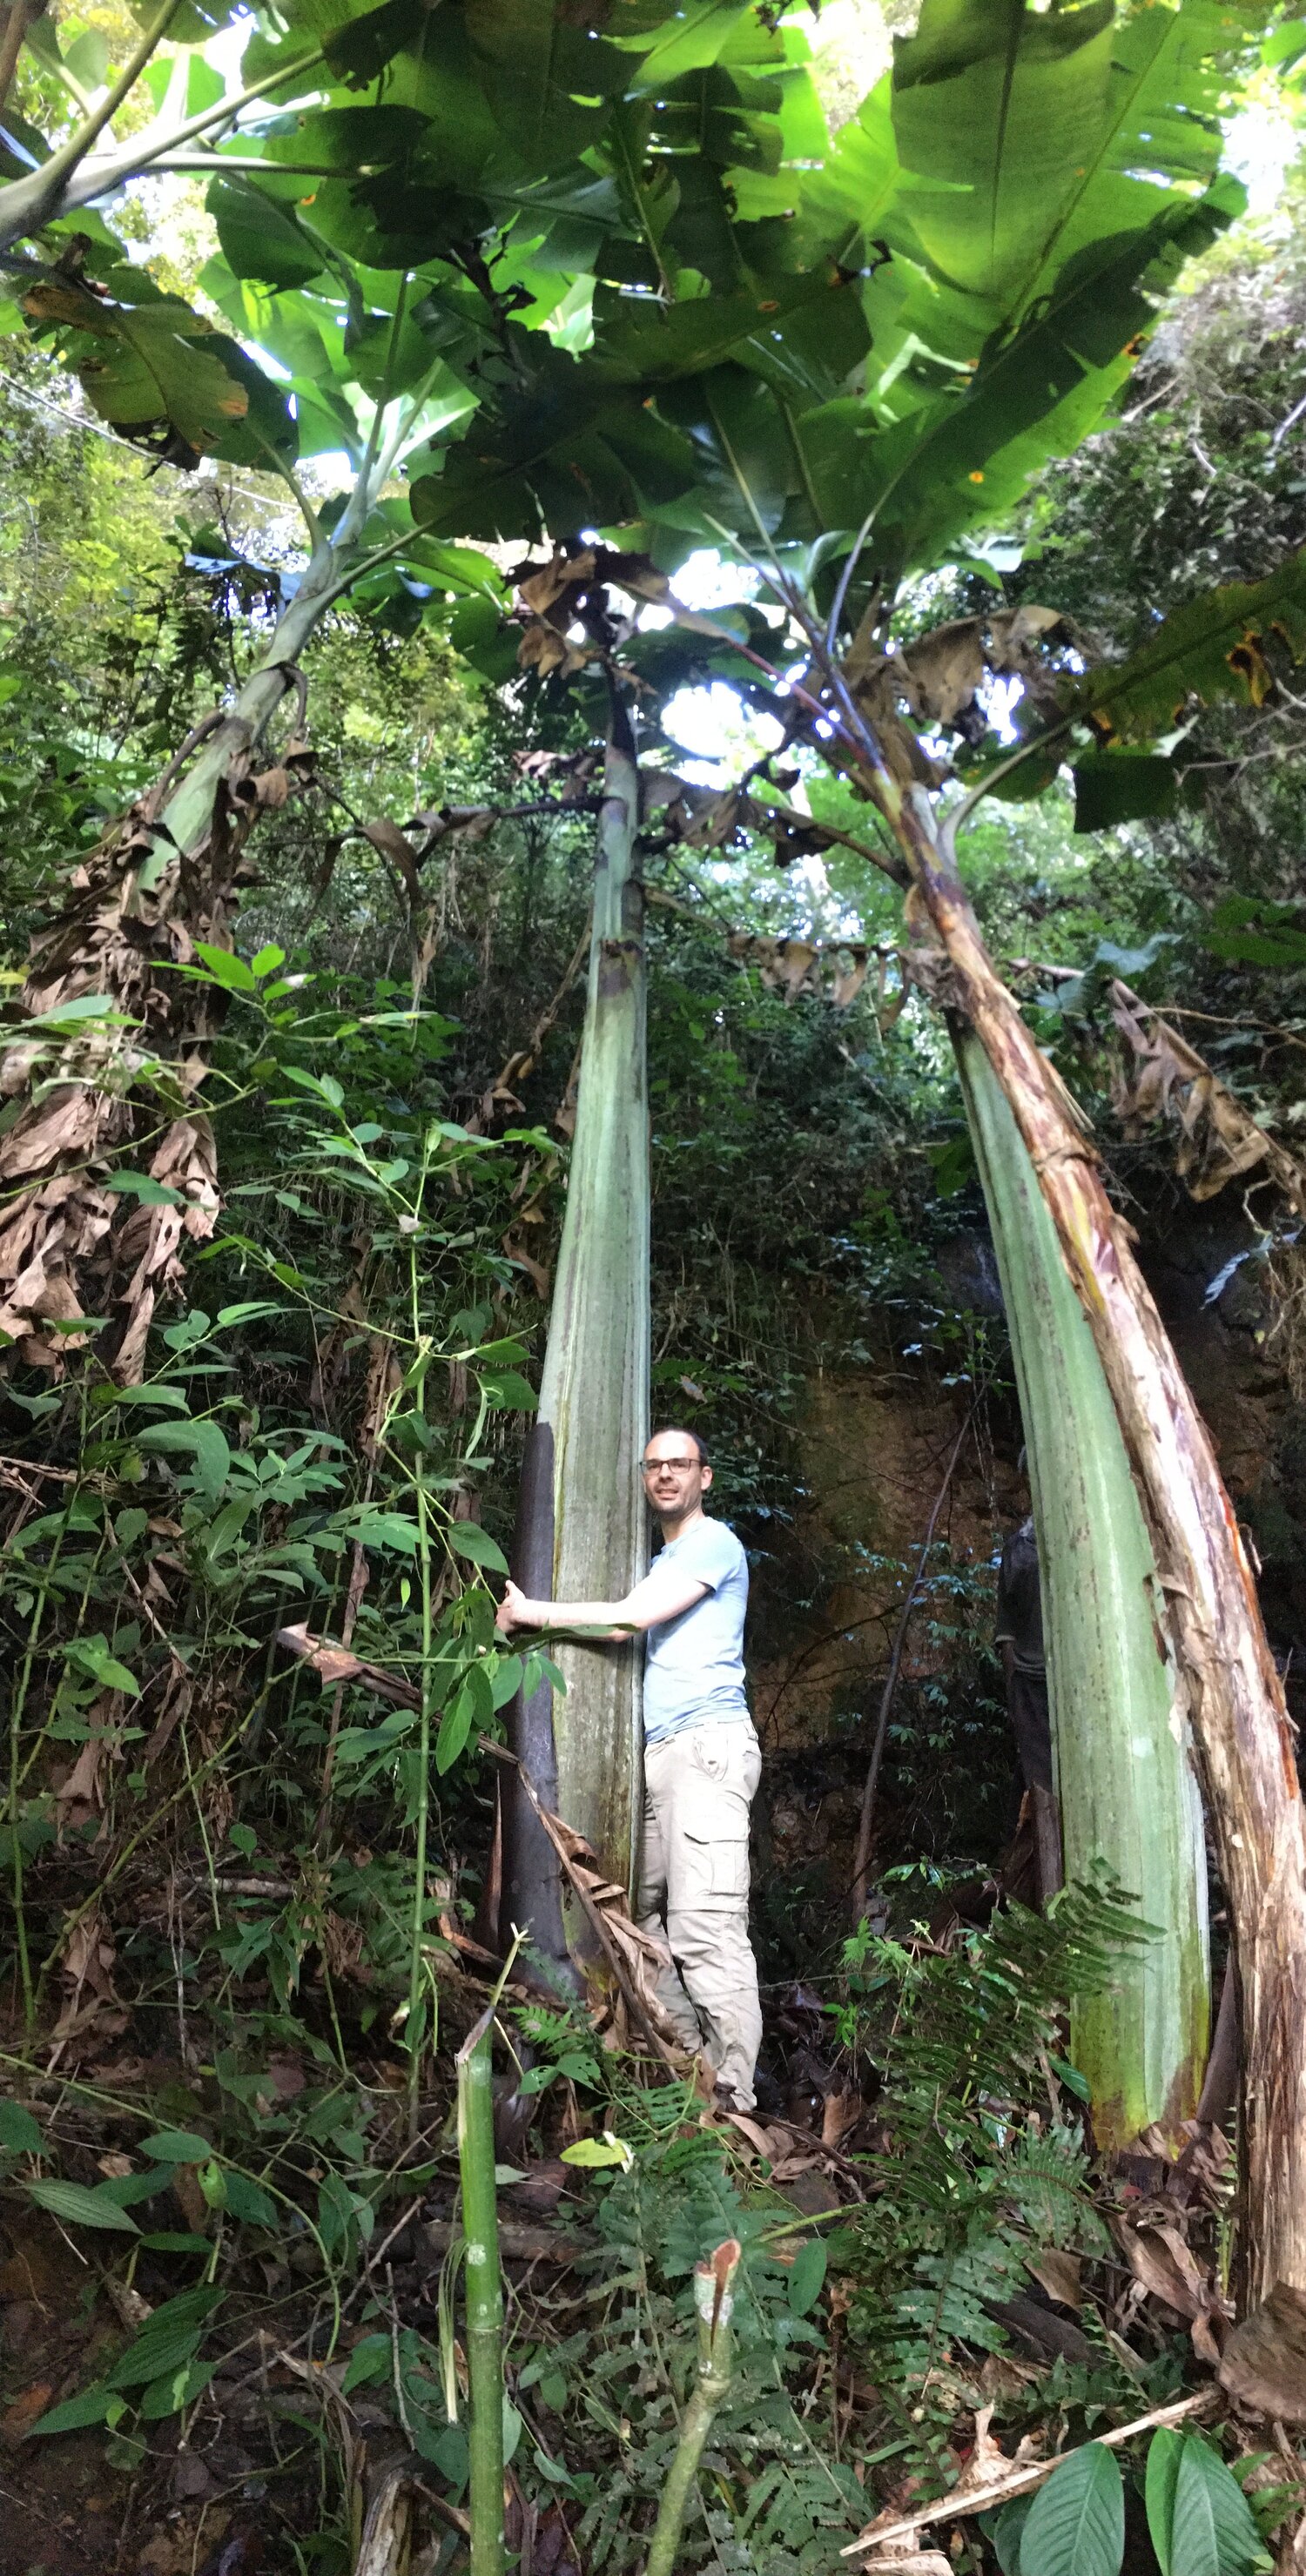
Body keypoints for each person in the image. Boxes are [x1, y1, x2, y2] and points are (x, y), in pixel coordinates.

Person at [496, 1426, 763, 2109]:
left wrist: (531, 1613)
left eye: (680, 1463)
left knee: (706, 1925)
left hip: (705, 1746)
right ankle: (696, 2070)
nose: (666, 1474)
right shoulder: (660, 1559)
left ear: (706, 1476)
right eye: (655, 1465)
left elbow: (625, 1622)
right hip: (663, 1755)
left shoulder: (713, 1544)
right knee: (635, 1915)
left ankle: (736, 2094)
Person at [995, 1481, 1061, 1905]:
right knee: (1040, 1781)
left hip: (1070, 1682)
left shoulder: (1073, 1539)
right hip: (1031, 1681)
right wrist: (1014, 1676)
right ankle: (1041, 1881)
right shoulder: (1019, 1548)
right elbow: (1006, 1622)